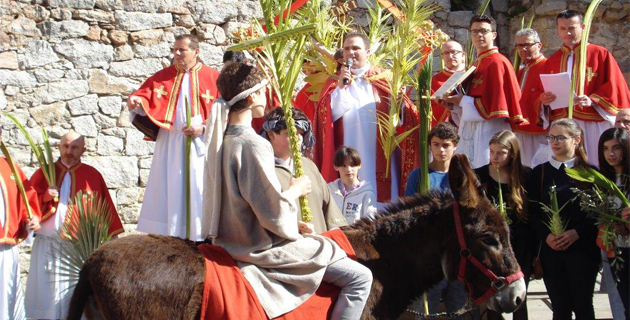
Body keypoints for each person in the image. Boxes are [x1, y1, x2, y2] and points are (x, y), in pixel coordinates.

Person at [202, 62, 372, 320]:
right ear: (251, 97)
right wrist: (293, 191)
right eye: (262, 91)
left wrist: (295, 224)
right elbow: (271, 212)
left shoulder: (222, 139)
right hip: (258, 247)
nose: (266, 95)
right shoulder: (252, 144)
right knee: (361, 277)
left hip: (233, 240)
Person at [128, 34, 219, 241]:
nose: (176, 54)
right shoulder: (163, 76)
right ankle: (169, 235)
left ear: (196, 52)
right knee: (169, 185)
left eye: (182, 50)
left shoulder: (213, 77)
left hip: (200, 144)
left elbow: (223, 113)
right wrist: (135, 102)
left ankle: (199, 235)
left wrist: (203, 128)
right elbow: (144, 95)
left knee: (198, 187)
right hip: (170, 142)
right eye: (175, 49)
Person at [25, 131, 124, 320]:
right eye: (65, 146)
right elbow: (26, 204)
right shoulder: (45, 172)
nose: (68, 151)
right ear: (59, 147)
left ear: (83, 150)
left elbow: (104, 209)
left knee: (72, 293)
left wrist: (112, 243)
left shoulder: (92, 176)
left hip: (76, 249)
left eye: (74, 147)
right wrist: (45, 196)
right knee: (45, 292)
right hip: (47, 245)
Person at [313, 32, 420, 204]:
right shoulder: (334, 81)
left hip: (381, 154)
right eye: (347, 49)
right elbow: (326, 119)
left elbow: (404, 119)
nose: (351, 52)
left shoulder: (385, 78)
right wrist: (340, 88)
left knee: (382, 203)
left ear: (368, 51)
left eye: (356, 48)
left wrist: (401, 107)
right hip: (348, 146)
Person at [527, 118, 600, 320]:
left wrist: (577, 233)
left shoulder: (590, 173)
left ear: (576, 139)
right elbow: (532, 212)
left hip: (582, 250)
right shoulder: (539, 173)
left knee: (583, 305)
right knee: (560, 308)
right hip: (552, 251)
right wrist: (547, 236)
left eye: (560, 137)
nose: (555, 142)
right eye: (551, 137)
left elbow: (598, 215)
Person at [540, 10, 630, 164]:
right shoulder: (552, 60)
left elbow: (615, 86)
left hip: (592, 122)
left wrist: (592, 100)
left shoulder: (600, 54)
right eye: (562, 28)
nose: (567, 32)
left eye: (572, 28)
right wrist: (544, 101)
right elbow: (543, 95)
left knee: (595, 161)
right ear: (557, 30)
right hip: (564, 124)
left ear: (583, 27)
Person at [441, 15, 527, 169]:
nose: (478, 35)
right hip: (475, 128)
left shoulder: (497, 62)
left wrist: (461, 101)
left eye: (483, 31)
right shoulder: (478, 61)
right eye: (474, 32)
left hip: (490, 129)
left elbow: (492, 105)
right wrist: (453, 104)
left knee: (487, 170)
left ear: (493, 35)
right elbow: (470, 97)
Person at [404, 123, 469, 319]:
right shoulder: (419, 175)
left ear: (455, 146)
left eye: (446, 145)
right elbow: (408, 212)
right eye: (436, 144)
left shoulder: (462, 175)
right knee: (426, 311)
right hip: (428, 255)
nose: (441, 150)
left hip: (456, 255)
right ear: (429, 146)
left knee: (457, 309)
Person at [475, 130, 534, 320]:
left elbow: (532, 214)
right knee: (493, 297)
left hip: (520, 244)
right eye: (491, 151)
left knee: (519, 298)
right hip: (493, 246)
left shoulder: (525, 176)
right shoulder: (479, 175)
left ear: (512, 154)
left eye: (500, 152)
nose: (495, 157)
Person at [261, 107, 347, 234]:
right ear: (271, 134)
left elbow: (331, 214)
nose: (299, 139)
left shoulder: (309, 166)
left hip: (321, 248)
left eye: (301, 133)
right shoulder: (262, 169)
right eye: (291, 133)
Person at [0, 128, 41, 320]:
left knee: (8, 295)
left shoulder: (10, 167)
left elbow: (27, 197)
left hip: (7, 246)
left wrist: (31, 218)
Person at [597, 128, 630, 319]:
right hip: (615, 249)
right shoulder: (602, 180)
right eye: (605, 148)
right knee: (624, 301)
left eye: (616, 148)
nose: (611, 154)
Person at [513, 28, 549, 168]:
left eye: (528, 44)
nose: (523, 49)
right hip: (520, 129)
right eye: (520, 46)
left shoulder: (547, 66)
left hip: (539, 129)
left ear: (539, 45)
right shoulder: (521, 71)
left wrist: (541, 100)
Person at [327, 146, 377, 225]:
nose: (348, 169)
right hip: (331, 236)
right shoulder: (328, 190)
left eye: (352, 165)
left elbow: (370, 224)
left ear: (359, 165)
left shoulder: (367, 194)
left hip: (355, 236)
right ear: (336, 167)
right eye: (344, 165)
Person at [431, 40, 466, 127]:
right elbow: (430, 109)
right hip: (444, 129)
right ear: (442, 57)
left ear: (463, 55)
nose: (450, 56)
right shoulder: (435, 80)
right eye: (446, 53)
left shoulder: (473, 75)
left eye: (454, 52)